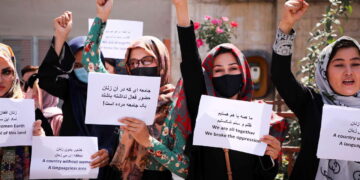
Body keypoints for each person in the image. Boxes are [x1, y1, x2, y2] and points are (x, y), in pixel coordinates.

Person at [79, 1, 189, 179]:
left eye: (146, 60)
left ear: (161, 62)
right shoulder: (124, 94)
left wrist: (148, 141)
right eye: (133, 62)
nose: (139, 66)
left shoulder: (176, 104)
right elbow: (89, 60)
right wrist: (102, 17)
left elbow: (184, 167)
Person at [172, 0, 281, 179]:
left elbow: (263, 174)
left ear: (244, 73)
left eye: (232, 69)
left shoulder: (256, 118)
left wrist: (271, 158)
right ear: (210, 76)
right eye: (219, 70)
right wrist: (181, 8)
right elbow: (191, 61)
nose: (226, 74)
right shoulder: (201, 108)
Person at [271, 0, 360, 179]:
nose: (348, 72)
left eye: (356, 64)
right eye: (339, 65)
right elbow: (281, 76)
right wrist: (286, 26)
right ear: (324, 71)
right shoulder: (312, 104)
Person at [37, 8, 119, 179]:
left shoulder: (113, 90)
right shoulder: (70, 88)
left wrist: (109, 151)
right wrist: (60, 37)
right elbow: (46, 79)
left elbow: (121, 130)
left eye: (89, 65)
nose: (85, 70)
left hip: (106, 170)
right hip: (72, 168)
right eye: (79, 65)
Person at [0, 43, 45, 179]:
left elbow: (45, 161)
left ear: (14, 74)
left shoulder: (28, 109)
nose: (0, 79)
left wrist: (39, 140)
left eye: (6, 72)